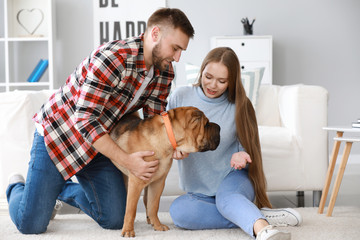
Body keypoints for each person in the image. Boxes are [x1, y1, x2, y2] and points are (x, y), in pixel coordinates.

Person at [6, 8, 194, 234]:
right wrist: (127, 160)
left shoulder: (164, 72)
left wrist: (172, 144)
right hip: (60, 136)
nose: (177, 57)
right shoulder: (112, 59)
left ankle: (59, 189)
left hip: (101, 145)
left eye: (181, 51)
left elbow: (154, 122)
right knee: (31, 225)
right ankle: (16, 186)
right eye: (175, 48)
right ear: (155, 34)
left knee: (114, 218)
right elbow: (85, 122)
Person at [167, 47, 302, 240]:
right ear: (201, 71)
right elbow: (165, 134)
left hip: (232, 178)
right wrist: (173, 148)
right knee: (179, 212)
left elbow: (248, 144)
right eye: (208, 76)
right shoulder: (180, 97)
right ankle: (254, 215)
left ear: (232, 81)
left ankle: (264, 230)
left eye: (222, 81)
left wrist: (242, 153)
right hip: (199, 191)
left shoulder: (240, 104)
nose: (212, 85)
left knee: (227, 200)